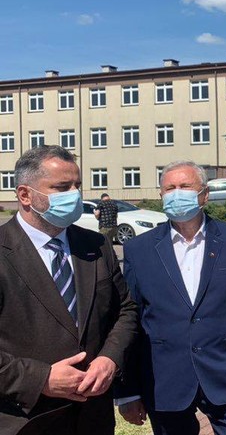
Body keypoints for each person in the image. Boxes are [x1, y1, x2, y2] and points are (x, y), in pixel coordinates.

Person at [116, 161, 226, 435]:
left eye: (185, 186)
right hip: (165, 380)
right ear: (161, 195)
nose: (177, 193)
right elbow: (131, 320)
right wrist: (127, 391)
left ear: (205, 195)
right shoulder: (139, 250)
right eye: (170, 188)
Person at [0, 145, 138, 435]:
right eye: (62, 187)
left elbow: (125, 310)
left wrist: (109, 359)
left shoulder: (96, 244)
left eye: (77, 185)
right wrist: (40, 379)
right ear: (25, 195)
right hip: (24, 420)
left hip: (93, 417)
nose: (75, 195)